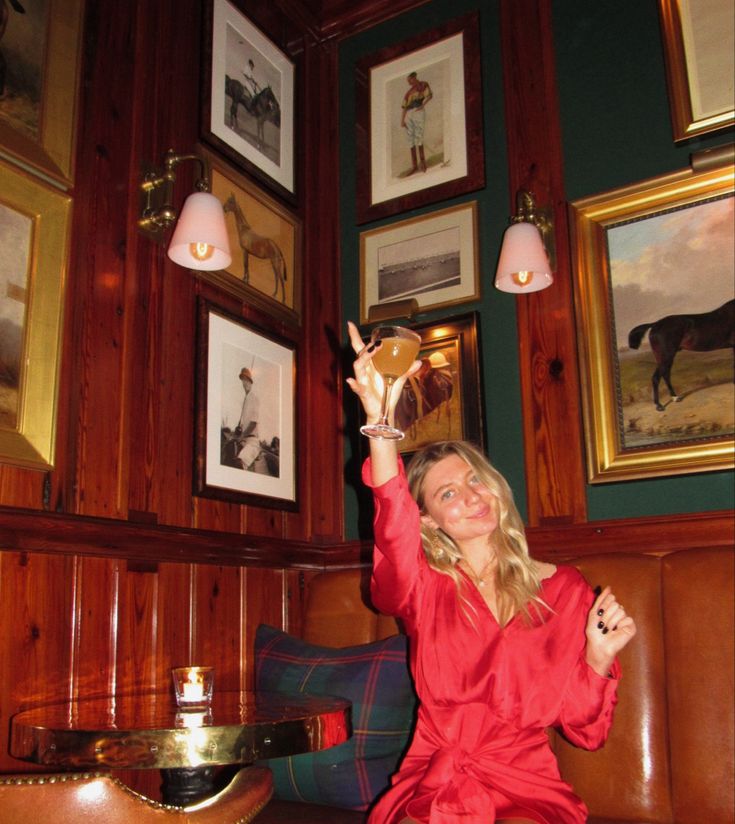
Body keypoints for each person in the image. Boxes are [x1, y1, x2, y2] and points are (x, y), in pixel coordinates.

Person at [346, 321, 637, 824]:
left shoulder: (564, 589)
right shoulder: (421, 587)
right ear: (430, 521)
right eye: (447, 493)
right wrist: (380, 422)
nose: (471, 496)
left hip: (526, 784)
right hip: (432, 780)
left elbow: (585, 733)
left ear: (498, 491)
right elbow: (392, 521)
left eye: (475, 480)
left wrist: (596, 654)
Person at [400, 71, 433, 174]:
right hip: (409, 114)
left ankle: (422, 163)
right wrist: (402, 120)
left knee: (419, 136)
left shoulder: (423, 84)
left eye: (410, 80)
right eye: (408, 81)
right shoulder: (408, 93)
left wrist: (423, 105)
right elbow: (405, 108)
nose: (409, 83)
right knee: (411, 138)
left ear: (414, 78)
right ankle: (414, 166)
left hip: (418, 112)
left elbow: (430, 96)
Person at [235, 366, 260, 470]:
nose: (244, 383)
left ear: (251, 382)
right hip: (243, 440)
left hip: (252, 441)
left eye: (247, 380)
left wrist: (242, 436)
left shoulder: (254, 398)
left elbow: (253, 423)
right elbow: (242, 424)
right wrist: (237, 431)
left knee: (239, 463)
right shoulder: (245, 400)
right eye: (243, 380)